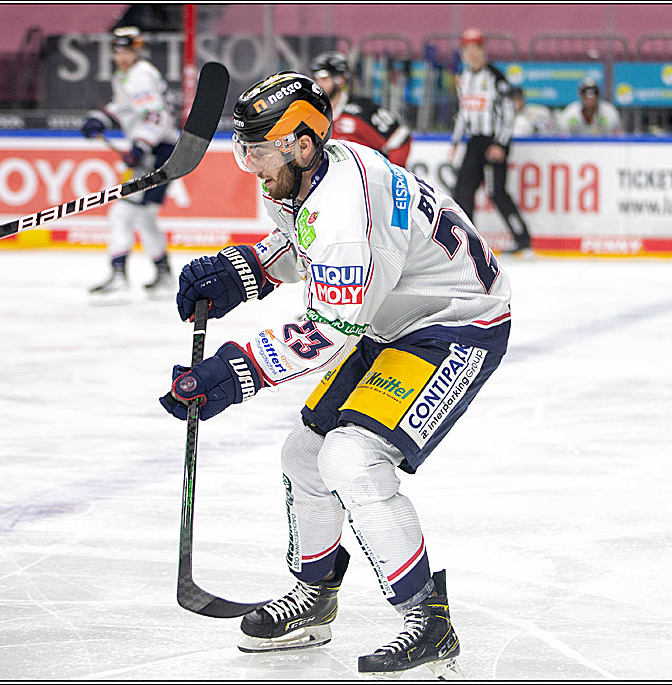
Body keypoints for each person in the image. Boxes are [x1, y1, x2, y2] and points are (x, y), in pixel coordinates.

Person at [159, 71, 512, 679]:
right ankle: (316, 594)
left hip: (458, 324)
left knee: (352, 459)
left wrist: (232, 373)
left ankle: (429, 623)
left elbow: (329, 326)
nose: (251, 165)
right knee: (304, 454)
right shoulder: (304, 171)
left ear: (300, 143)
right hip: (392, 317)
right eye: (244, 149)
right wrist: (239, 272)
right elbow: (300, 243)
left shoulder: (347, 205)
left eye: (260, 151)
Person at [80, 26, 178, 298]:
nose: (121, 56)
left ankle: (120, 276)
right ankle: (162, 274)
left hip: (157, 151)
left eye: (127, 50)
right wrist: (99, 119)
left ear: (137, 50)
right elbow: (125, 107)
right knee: (144, 216)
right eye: (118, 51)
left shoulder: (140, 76)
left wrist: (140, 146)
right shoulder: (128, 76)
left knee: (123, 214)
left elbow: (156, 116)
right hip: (157, 149)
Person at [449, 28, 532, 255]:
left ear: (483, 50)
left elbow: (508, 114)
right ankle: (468, 241)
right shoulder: (463, 78)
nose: (472, 54)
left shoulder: (496, 78)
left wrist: (501, 144)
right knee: (462, 191)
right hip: (474, 141)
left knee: (497, 192)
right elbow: (463, 113)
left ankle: (523, 240)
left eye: (476, 48)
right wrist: (455, 142)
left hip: (494, 141)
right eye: (467, 49)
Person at [310, 50, 413, 167]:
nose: (318, 84)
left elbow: (400, 138)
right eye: (316, 79)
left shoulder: (364, 111)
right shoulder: (310, 113)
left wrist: (390, 176)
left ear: (340, 80)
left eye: (324, 79)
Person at [555, 77, 623, 136]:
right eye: (586, 94)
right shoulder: (570, 113)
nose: (590, 99)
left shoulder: (609, 112)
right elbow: (560, 136)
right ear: (580, 95)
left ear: (598, 95)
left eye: (594, 93)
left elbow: (619, 135)